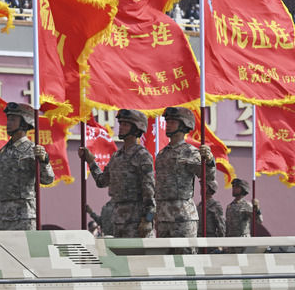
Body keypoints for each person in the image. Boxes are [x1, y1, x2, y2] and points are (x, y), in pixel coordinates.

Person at [79, 109, 155, 238]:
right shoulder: (116, 156)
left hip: (136, 220)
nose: (121, 127)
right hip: (118, 219)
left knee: (137, 251)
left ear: (136, 128)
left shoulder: (142, 155)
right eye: (120, 124)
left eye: (125, 125)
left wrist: (148, 219)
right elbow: (102, 181)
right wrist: (91, 162)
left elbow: (149, 190)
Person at [155, 107, 217, 252]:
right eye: (167, 121)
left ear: (183, 125)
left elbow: (207, 176)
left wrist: (209, 160)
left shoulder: (191, 152)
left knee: (186, 259)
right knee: (164, 260)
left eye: (172, 122)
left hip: (182, 216)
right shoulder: (162, 154)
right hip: (163, 216)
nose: (168, 125)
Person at [0, 102, 54, 230]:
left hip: (24, 216)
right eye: (8, 119)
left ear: (24, 122)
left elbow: (48, 179)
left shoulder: (33, 149)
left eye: (13, 119)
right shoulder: (3, 151)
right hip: (4, 216)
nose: (8, 123)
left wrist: (44, 161)